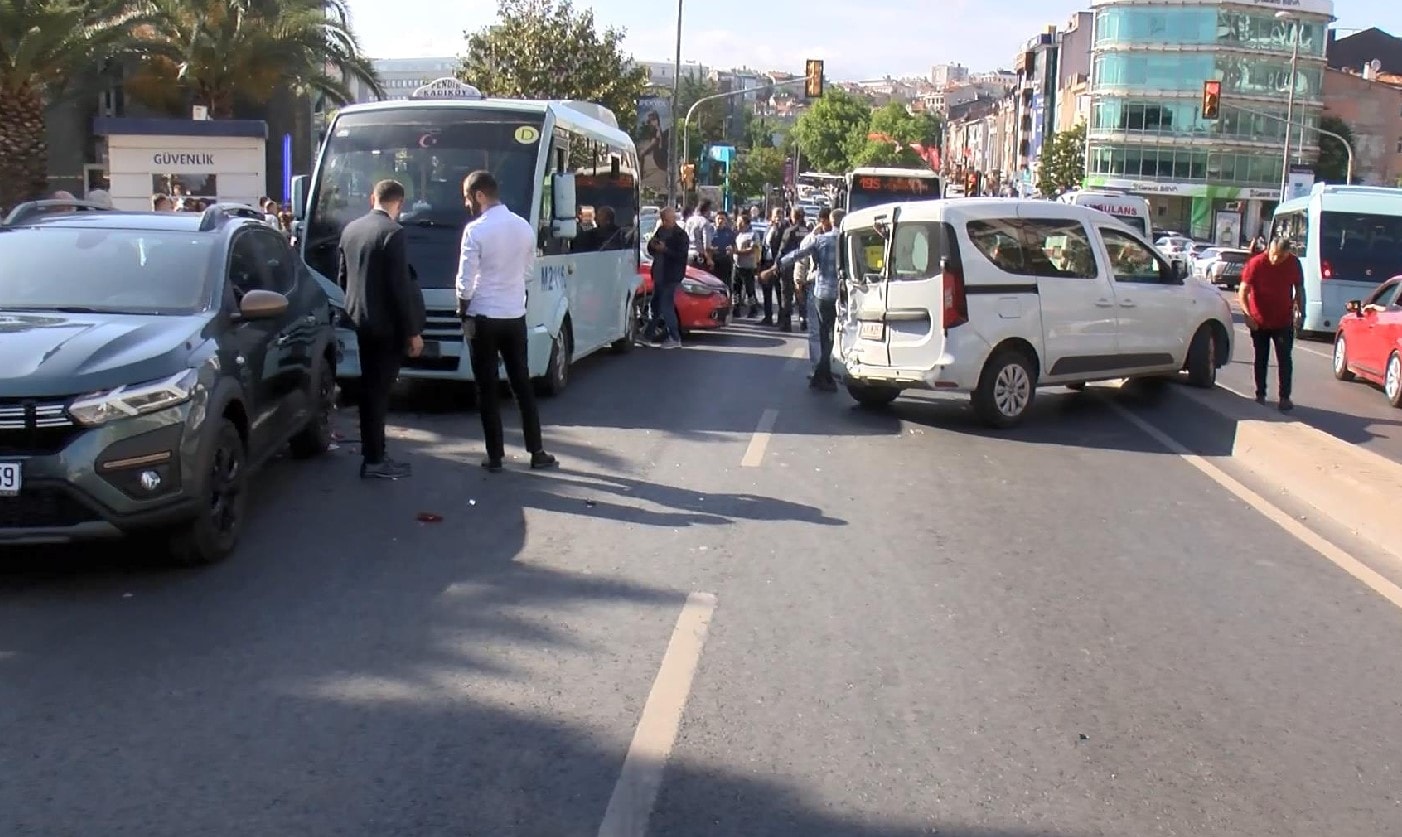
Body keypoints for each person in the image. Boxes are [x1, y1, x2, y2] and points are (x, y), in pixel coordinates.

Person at [456, 170, 558, 471]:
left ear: (479, 195)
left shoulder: (475, 230)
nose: (466, 204)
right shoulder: (523, 227)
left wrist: (463, 309)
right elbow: (528, 272)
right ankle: (536, 451)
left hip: (483, 317)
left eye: (467, 197)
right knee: (521, 384)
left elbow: (465, 280)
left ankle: (496, 455)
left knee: (486, 387)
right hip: (514, 316)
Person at [338, 179, 425, 479]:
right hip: (387, 328)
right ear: (399, 204)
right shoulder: (394, 233)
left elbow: (343, 279)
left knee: (369, 389)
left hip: (361, 322)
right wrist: (413, 332)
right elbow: (399, 288)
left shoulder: (351, 230)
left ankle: (372, 452)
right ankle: (375, 459)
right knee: (378, 393)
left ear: (371, 197)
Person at [763, 208, 845, 390]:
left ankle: (821, 373)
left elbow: (796, 256)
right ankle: (825, 373)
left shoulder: (821, 240)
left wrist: (773, 269)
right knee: (833, 335)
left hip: (821, 293)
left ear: (830, 222)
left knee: (822, 334)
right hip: (844, 295)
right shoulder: (850, 240)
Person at [1239, 237, 1305, 411]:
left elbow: (1299, 289)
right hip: (1259, 321)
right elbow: (1243, 291)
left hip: (1283, 320)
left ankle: (1285, 397)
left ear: (1287, 254)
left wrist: (1301, 313)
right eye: (1274, 255)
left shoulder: (1293, 263)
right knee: (1261, 357)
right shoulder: (1256, 263)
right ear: (1269, 249)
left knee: (1285, 359)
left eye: (1281, 257)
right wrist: (1247, 315)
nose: (1276, 260)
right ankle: (1260, 393)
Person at [646, 206, 689, 348]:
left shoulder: (680, 235)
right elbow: (651, 249)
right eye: (663, 219)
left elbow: (681, 256)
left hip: (671, 276)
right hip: (659, 274)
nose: (665, 222)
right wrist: (652, 246)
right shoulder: (660, 231)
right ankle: (648, 334)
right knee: (655, 305)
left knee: (666, 306)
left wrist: (665, 249)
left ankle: (675, 337)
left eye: (667, 220)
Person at [773, 207, 810, 332]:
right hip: (805, 267)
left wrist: (776, 265)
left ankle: (786, 323)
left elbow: (782, 250)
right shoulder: (809, 231)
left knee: (787, 296)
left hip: (789, 267)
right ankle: (803, 319)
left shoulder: (790, 231)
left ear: (794, 217)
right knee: (802, 295)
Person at [731, 215, 761, 318]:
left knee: (749, 290)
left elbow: (752, 249)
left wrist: (737, 252)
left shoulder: (753, 234)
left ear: (745, 223)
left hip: (748, 267)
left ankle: (753, 309)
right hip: (737, 265)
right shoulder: (738, 235)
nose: (737, 224)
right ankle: (736, 308)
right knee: (736, 289)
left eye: (740, 222)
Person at [711, 210, 737, 295]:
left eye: (722, 219)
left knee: (726, 284)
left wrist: (731, 249)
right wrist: (711, 249)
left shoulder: (729, 232)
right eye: (718, 218)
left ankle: (727, 302)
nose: (720, 221)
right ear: (715, 219)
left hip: (725, 261)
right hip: (713, 261)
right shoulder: (710, 230)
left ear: (726, 220)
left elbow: (734, 247)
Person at [684, 200, 715, 270]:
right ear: (707, 210)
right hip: (699, 257)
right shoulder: (705, 222)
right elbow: (706, 244)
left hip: (688, 254)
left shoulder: (689, 220)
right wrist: (709, 259)